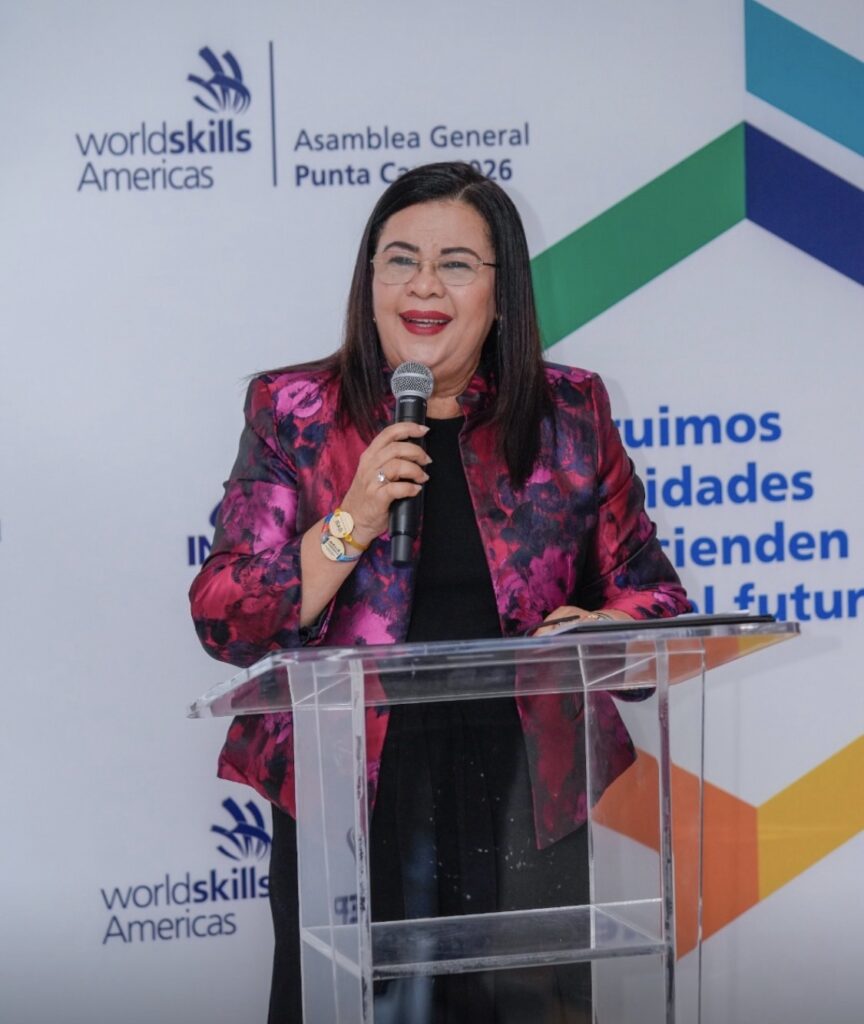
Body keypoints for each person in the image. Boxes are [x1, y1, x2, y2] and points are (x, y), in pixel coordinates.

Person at [190, 161, 689, 1023]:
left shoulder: (570, 413)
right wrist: (351, 520)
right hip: (352, 792)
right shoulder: (297, 411)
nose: (424, 286)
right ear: (369, 281)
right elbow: (224, 615)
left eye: (456, 264)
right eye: (400, 260)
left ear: (502, 292)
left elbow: (657, 602)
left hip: (526, 792)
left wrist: (602, 629)